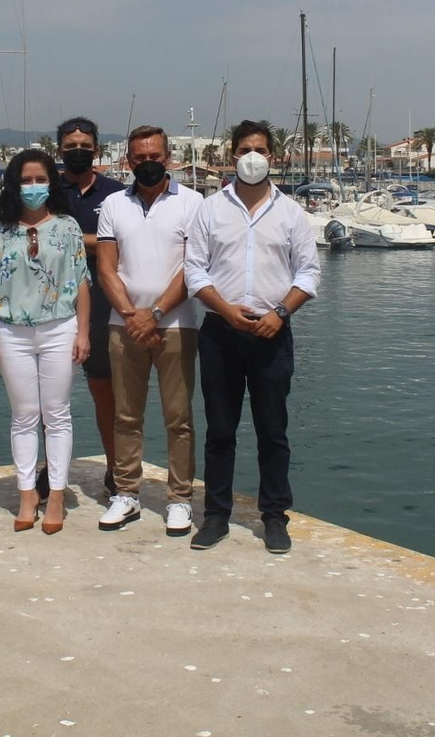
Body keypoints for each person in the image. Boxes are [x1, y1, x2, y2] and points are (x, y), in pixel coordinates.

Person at [183, 120, 320, 554]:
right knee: (219, 431)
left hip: (272, 333)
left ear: (273, 156)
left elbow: (309, 273)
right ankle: (216, 516)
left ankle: (275, 517)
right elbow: (194, 270)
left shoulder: (292, 213)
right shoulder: (210, 209)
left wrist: (280, 313)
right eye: (245, 149)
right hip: (220, 333)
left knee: (272, 430)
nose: (253, 156)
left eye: (260, 149)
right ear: (233, 155)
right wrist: (224, 310)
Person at [94, 126, 203, 535]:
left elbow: (193, 268)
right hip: (124, 327)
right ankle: (126, 494)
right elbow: (106, 267)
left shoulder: (193, 203)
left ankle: (179, 499)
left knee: (179, 418)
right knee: (126, 415)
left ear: (169, 156)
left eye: (154, 154)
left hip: (177, 325)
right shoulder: (113, 204)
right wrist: (131, 313)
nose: (147, 162)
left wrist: (154, 313)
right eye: (138, 157)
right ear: (128, 161)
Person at [0, 150, 90, 534]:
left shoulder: (68, 227)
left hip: (60, 327)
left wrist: (83, 332)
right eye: (25, 180)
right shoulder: (1, 232)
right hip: (12, 332)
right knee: (24, 415)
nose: (33, 187)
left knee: (57, 414)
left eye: (39, 179)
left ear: (51, 183)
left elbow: (81, 284)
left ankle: (56, 495)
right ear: (14, 184)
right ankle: (27, 493)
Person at [53, 116, 125, 499]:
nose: (77, 151)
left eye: (84, 146)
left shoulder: (116, 194)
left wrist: (68, 237)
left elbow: (125, 243)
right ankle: (51, 473)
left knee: (104, 394)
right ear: (59, 150)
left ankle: (116, 472)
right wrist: (99, 242)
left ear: (96, 150)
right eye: (70, 146)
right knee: (50, 397)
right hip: (52, 307)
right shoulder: (45, 190)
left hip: (101, 305)